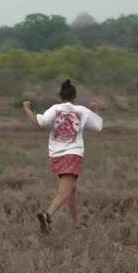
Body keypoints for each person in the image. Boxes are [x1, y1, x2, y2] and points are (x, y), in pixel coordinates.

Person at [22, 79, 104, 233]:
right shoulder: (82, 111)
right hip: (73, 154)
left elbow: (38, 122)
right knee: (65, 192)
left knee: (71, 190)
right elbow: (98, 127)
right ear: (75, 97)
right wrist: (95, 110)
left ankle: (76, 224)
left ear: (61, 96)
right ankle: (47, 215)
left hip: (56, 156)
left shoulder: (55, 109)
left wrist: (27, 108)